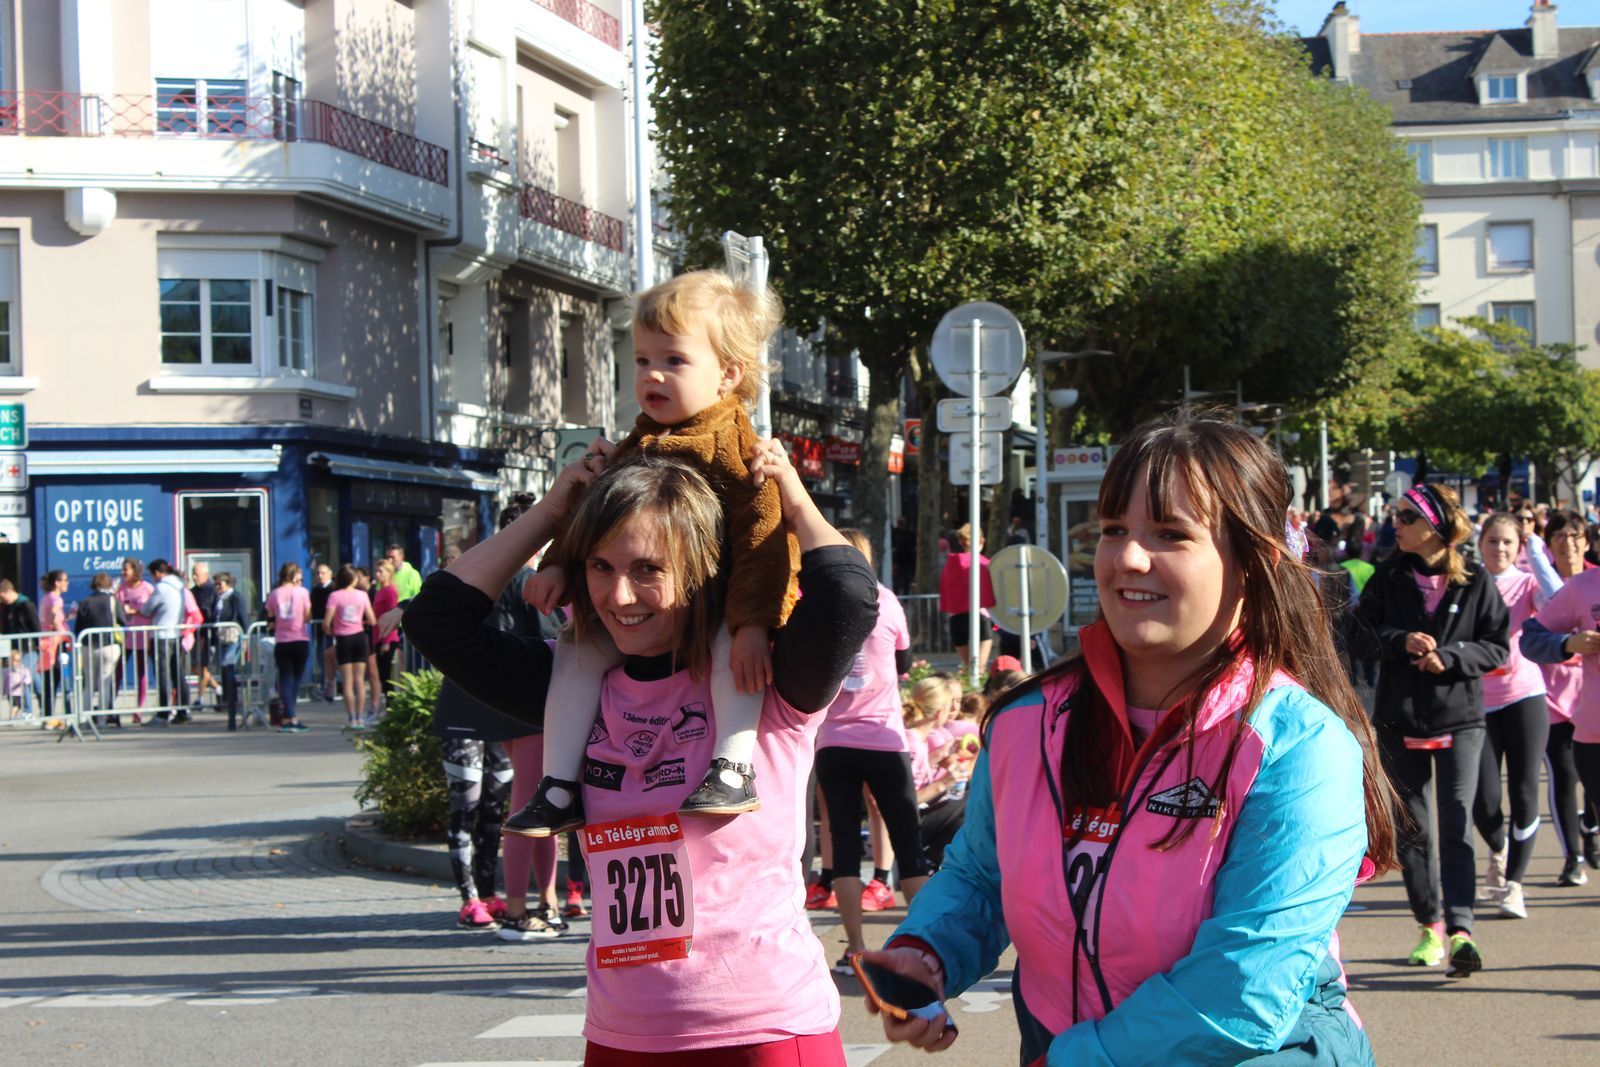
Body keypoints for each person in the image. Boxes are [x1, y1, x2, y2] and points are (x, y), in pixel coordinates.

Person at [864, 407, 1397, 1064]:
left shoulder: (1300, 745)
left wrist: (1077, 1058)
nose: (1128, 557)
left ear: (1252, 563)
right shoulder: (1027, 721)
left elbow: (1244, 988)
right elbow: (979, 875)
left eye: (1170, 533)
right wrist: (925, 953)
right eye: (1114, 530)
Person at [404, 443, 877, 1064]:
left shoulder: (762, 674)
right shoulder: (573, 689)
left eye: (649, 569)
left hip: (763, 1030)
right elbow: (436, 620)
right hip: (621, 1035)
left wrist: (788, 495)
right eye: (600, 567)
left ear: (703, 569)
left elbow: (848, 594)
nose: (620, 596)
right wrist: (553, 512)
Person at [516, 269, 797, 833]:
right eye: (643, 360)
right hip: (656, 613)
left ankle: (732, 767)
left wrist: (753, 624)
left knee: (732, 654)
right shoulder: (638, 440)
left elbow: (765, 543)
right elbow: (597, 515)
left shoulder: (738, 449)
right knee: (576, 647)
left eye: (674, 360)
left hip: (720, 606)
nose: (653, 375)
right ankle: (558, 786)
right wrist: (558, 564)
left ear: (728, 374)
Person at [1353, 483, 1507, 974]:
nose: (1394, 525)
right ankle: (1430, 926)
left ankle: (1462, 930)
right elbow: (1359, 637)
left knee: (1457, 823)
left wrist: (1453, 657)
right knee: (1413, 829)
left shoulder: (1474, 579)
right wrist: (1401, 641)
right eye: (1396, 516)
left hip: (1460, 719)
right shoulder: (1388, 576)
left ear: (1435, 526)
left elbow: (1496, 645)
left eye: (1406, 518)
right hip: (1401, 719)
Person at [412, 494, 574, 939]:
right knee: (530, 804)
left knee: (535, 803)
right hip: (533, 702)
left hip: (505, 701)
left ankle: (545, 903)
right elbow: (557, 637)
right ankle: (519, 909)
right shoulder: (526, 580)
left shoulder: (489, 577)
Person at [812, 527, 931, 972]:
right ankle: (922, 944)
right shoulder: (887, 601)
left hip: (833, 741)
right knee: (909, 844)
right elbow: (903, 663)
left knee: (843, 846)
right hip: (885, 738)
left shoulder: (816, 601)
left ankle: (856, 948)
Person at [1471, 513, 1559, 919]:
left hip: (1525, 696)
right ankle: (1499, 849)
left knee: (1525, 793)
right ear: (1481, 544)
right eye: (1493, 541)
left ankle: (1514, 885)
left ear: (1518, 547)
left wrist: (1537, 552)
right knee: (1484, 800)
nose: (1500, 549)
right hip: (1477, 702)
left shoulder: (1527, 584)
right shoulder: (1469, 584)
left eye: (1508, 542)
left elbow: (1558, 602)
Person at [1520, 509, 1600, 885]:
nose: (1568, 544)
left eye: (1575, 536)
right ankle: (1573, 857)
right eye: (1559, 537)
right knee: (1564, 777)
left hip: (1584, 697)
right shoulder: (1571, 587)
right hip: (1559, 701)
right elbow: (1531, 636)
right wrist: (1568, 643)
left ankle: (1590, 826)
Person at [938, 523, 995, 676]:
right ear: (981, 541)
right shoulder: (984, 563)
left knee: (969, 670)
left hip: (956, 620)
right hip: (980, 618)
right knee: (979, 671)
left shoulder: (950, 564)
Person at [324, 565, 376, 730]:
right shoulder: (362, 595)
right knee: (359, 680)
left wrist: (332, 630)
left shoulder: (335, 596)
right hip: (359, 637)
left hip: (343, 638)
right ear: (353, 579)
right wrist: (361, 621)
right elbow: (372, 620)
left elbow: (326, 622)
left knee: (347, 680)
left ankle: (352, 717)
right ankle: (360, 717)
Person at [141, 560, 192, 724]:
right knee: (178, 674)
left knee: (162, 675)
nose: (152, 579)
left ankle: (163, 713)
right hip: (176, 634)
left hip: (161, 635)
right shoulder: (180, 586)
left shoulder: (161, 588)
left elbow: (146, 609)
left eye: (152, 575)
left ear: (157, 573)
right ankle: (183, 710)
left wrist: (138, 607)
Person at [265, 563, 313, 732]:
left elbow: (270, 617)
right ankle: (291, 717)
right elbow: (308, 616)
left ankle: (287, 716)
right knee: (295, 680)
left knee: (285, 679)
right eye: (298, 575)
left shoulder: (274, 594)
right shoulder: (303, 592)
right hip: (300, 638)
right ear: (292, 576)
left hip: (282, 640)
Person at [75, 573, 127, 725]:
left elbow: (78, 627)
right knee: (105, 682)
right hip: (109, 645)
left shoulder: (84, 602)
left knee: (89, 684)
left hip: (88, 645)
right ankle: (102, 719)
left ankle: (84, 719)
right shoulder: (112, 601)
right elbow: (122, 620)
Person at [115, 558, 153, 718]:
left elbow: (153, 609)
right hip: (125, 636)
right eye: (123, 569)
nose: (123, 572)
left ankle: (139, 708)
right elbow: (115, 608)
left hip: (143, 636)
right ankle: (109, 706)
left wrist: (136, 611)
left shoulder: (147, 588)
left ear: (135, 571)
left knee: (141, 672)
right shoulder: (121, 588)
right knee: (117, 671)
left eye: (126, 569)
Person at [0, 578, 43, 719]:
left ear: (9, 591)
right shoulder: (7, 607)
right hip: (15, 650)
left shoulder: (26, 605)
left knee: (25, 678)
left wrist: (38, 645)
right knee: (27, 679)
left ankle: (35, 709)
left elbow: (35, 626)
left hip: (27, 648)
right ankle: (31, 709)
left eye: (2, 596)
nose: (2, 600)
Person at [212, 572, 247, 730]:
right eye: (216, 584)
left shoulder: (235, 598)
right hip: (222, 638)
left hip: (233, 637)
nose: (217, 587)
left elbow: (243, 618)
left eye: (220, 584)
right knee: (224, 669)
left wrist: (245, 638)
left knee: (229, 666)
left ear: (228, 584)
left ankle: (232, 704)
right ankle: (228, 701)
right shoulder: (219, 599)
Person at [37, 571, 73, 723]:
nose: (67, 583)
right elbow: (53, 615)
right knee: (60, 680)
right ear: (57, 583)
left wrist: (65, 618)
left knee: (50, 681)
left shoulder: (46, 598)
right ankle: (61, 716)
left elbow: (53, 617)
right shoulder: (55, 599)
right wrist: (62, 630)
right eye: (65, 580)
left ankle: (48, 715)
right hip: (56, 644)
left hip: (48, 643)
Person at [371, 558, 401, 705]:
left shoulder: (390, 591)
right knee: (382, 675)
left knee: (386, 674)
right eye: (376, 571)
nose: (377, 574)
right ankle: (389, 704)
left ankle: (392, 704)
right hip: (378, 636)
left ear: (389, 573)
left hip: (387, 637)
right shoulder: (379, 591)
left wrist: (387, 641)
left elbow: (391, 615)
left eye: (380, 571)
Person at [190, 561, 218, 707]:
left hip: (206, 633)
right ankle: (217, 687)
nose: (194, 577)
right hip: (195, 633)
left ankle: (200, 699)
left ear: (205, 575)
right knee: (195, 667)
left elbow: (206, 610)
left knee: (203, 666)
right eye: (193, 574)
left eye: (197, 574)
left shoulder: (211, 590)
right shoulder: (193, 591)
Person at [308, 562, 335, 701]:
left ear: (330, 574)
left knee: (328, 656)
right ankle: (327, 686)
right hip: (318, 629)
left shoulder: (333, 589)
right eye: (318, 573)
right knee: (320, 657)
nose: (320, 576)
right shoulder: (315, 591)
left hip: (331, 630)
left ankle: (330, 686)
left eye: (323, 573)